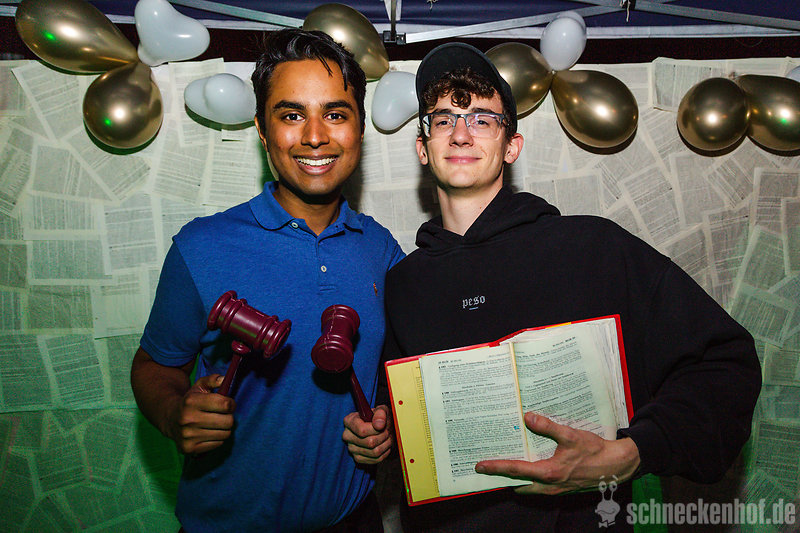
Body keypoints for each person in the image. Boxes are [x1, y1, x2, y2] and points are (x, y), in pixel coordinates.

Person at [381, 42, 761, 532]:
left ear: (511, 146)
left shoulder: (593, 247)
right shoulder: (403, 284)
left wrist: (634, 452)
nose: (460, 132)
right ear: (423, 147)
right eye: (443, 119)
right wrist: (378, 434)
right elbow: (400, 421)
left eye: (482, 119)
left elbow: (724, 361)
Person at [131, 29, 403, 533]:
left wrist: (385, 425)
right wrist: (174, 413)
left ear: (360, 130)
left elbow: (394, 373)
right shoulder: (202, 247)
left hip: (355, 521)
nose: (315, 136)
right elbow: (155, 365)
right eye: (291, 115)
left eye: (336, 114)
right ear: (261, 129)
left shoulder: (382, 250)